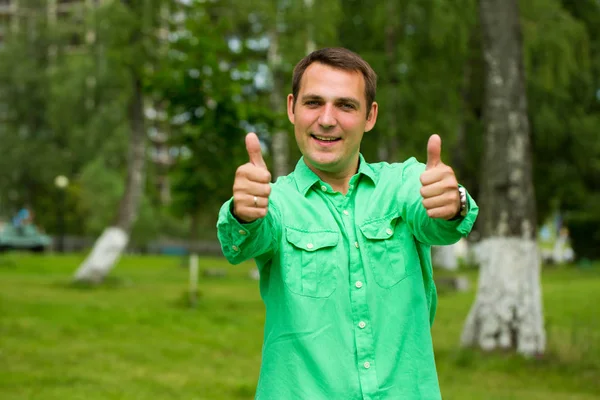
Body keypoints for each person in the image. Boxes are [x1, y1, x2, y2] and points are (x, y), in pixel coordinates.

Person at [217, 47, 479, 400]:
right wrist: (243, 212)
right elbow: (243, 241)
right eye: (313, 103)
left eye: (345, 105)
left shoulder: (403, 183)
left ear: (370, 116)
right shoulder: (275, 201)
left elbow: (437, 222)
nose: (327, 119)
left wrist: (452, 203)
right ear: (291, 107)